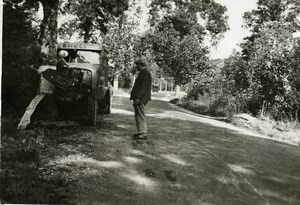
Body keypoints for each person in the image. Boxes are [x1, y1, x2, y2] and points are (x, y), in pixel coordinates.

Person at [130, 58, 152, 140]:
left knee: (140, 115)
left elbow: (143, 88)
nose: (136, 67)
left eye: (137, 65)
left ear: (140, 65)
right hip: (140, 98)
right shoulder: (143, 73)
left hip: (141, 98)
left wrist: (138, 98)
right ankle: (141, 132)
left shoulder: (144, 74)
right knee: (138, 114)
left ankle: (143, 133)